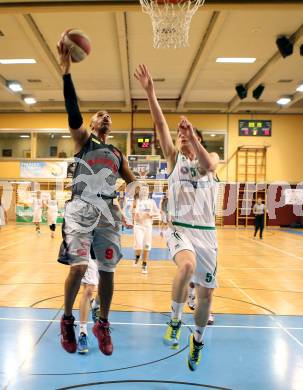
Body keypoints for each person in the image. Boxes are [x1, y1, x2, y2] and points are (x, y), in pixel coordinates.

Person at [135, 64, 219, 371]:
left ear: (197, 138)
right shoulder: (173, 159)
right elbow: (159, 122)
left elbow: (209, 164)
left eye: (188, 136)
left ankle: (197, 340)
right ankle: (174, 319)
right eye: (181, 136)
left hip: (207, 234)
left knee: (207, 297)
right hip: (180, 229)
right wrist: (150, 91)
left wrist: (193, 136)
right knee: (187, 265)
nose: (182, 138)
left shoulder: (211, 159)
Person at [57, 42, 136, 356]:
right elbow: (72, 108)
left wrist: (131, 193)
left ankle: (103, 323)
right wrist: (66, 73)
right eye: (99, 115)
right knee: (77, 268)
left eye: (108, 117)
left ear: (110, 127)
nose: (105, 118)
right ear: (90, 124)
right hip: (80, 211)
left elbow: (132, 181)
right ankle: (66, 320)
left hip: (107, 214)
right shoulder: (83, 141)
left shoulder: (117, 153)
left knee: (107, 271)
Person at [132, 185, 159, 273]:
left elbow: (157, 214)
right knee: (139, 246)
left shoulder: (152, 202)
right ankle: (137, 257)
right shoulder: (137, 201)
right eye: (142, 190)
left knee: (146, 246)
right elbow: (132, 213)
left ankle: (144, 264)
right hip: (138, 226)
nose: (144, 191)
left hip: (148, 226)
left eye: (146, 190)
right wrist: (135, 215)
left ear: (148, 191)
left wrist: (151, 214)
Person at [77, 256, 99, 354]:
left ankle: (95, 305)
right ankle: (83, 333)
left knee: (104, 290)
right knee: (89, 289)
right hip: (89, 248)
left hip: (105, 248)